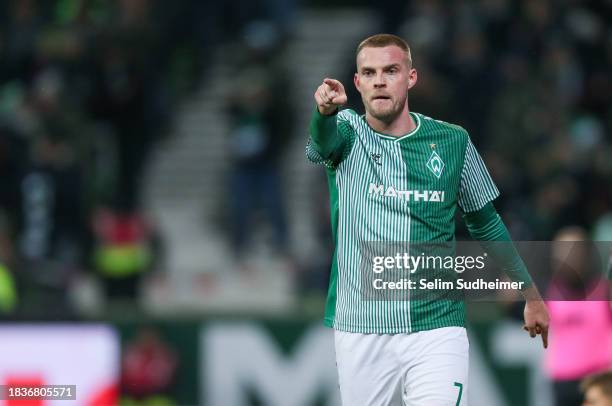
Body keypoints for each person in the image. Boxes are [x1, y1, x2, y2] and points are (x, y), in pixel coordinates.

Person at [306, 33, 549, 405]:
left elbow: (485, 221)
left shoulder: (453, 142)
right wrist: (323, 112)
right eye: (369, 73)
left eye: (391, 70)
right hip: (361, 328)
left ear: (411, 77)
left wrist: (529, 293)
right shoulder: (347, 133)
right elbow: (321, 144)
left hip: (438, 325)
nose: (380, 81)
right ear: (357, 83)